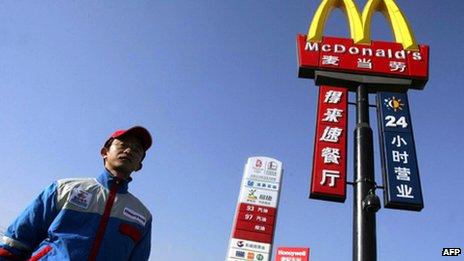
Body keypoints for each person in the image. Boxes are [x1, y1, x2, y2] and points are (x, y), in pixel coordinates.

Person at [0, 126, 153, 260]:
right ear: (104, 152)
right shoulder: (64, 189)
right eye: (123, 144)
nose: (128, 150)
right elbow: (15, 241)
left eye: (137, 149)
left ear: (139, 166)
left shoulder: (143, 216)